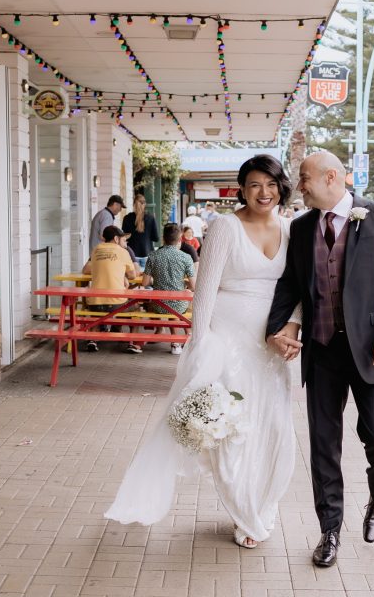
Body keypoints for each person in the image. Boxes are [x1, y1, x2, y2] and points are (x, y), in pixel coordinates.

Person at [105, 154, 299, 550]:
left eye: (271, 184)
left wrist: (291, 329)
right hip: (228, 341)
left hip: (272, 346)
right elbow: (205, 289)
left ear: (281, 187)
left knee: (275, 430)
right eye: (255, 185)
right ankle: (244, 513)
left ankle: (264, 501)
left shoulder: (290, 228)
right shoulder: (226, 227)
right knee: (231, 432)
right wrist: (199, 344)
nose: (264, 192)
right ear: (242, 190)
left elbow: (297, 288)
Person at [266, 151, 374, 568]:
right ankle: (329, 530)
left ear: (331, 177)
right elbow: (291, 286)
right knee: (323, 446)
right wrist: (278, 330)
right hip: (322, 351)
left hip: (373, 350)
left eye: (305, 177)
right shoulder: (300, 227)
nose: (300, 185)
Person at [81, 225, 142, 354]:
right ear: (116, 238)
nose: (125, 242)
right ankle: (133, 342)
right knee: (136, 306)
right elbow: (132, 275)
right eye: (123, 239)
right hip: (116, 304)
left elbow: (86, 270)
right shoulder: (123, 252)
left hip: (94, 304)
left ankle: (93, 339)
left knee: (97, 303)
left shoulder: (96, 249)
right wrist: (122, 274)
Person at [141, 224, 197, 355]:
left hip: (158, 304)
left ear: (163, 238)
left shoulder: (153, 256)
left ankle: (175, 340)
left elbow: (145, 282)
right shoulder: (186, 257)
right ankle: (179, 342)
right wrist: (185, 286)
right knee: (183, 303)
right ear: (180, 239)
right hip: (179, 304)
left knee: (167, 303)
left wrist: (158, 280)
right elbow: (194, 286)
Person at [122, 193, 159, 270]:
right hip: (147, 254)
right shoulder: (151, 218)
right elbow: (156, 238)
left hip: (132, 255)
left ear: (133, 205)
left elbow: (125, 237)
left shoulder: (127, 218)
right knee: (146, 281)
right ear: (144, 204)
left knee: (132, 280)